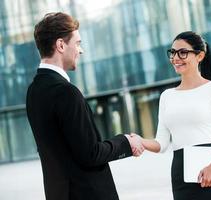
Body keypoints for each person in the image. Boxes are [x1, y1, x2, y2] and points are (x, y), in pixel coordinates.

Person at [26, 12, 144, 200]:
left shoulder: (33, 91)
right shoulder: (66, 92)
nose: (81, 51)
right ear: (61, 45)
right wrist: (126, 142)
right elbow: (91, 154)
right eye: (78, 43)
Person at [138, 31, 211, 200]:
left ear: (200, 56)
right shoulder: (167, 96)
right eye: (173, 52)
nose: (176, 58)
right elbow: (161, 143)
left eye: (183, 52)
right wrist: (139, 141)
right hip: (181, 177)